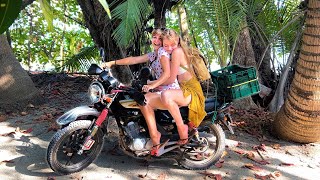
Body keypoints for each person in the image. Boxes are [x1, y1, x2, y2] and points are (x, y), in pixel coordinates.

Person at [102, 28, 180, 155]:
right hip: (159, 89)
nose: (156, 40)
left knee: (143, 102)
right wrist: (112, 63)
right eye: (154, 37)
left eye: (160, 38)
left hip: (168, 90)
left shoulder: (162, 53)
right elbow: (133, 59)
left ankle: (155, 137)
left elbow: (167, 75)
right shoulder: (154, 54)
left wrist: (151, 84)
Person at [160, 29, 207, 145]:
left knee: (166, 96)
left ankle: (182, 129)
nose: (170, 48)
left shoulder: (177, 52)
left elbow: (171, 79)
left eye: (173, 45)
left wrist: (153, 84)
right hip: (184, 88)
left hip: (192, 91)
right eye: (166, 45)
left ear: (178, 41)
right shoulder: (174, 52)